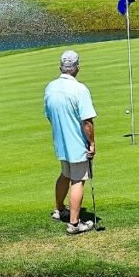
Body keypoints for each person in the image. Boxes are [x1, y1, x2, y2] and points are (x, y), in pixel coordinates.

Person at [44, 50, 97, 234]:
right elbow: (87, 122)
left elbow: (49, 115)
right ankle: (74, 224)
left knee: (65, 174)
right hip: (76, 143)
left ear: (61, 66)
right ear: (77, 68)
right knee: (78, 180)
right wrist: (91, 143)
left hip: (60, 141)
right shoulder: (80, 89)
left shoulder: (50, 87)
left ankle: (59, 210)